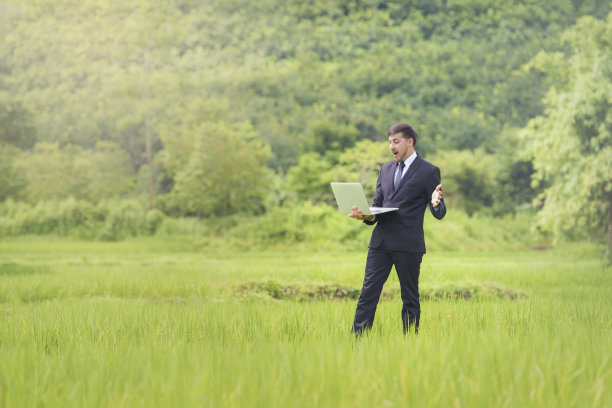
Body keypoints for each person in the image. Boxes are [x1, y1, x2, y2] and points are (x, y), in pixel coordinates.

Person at [349, 123, 446, 335]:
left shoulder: (429, 171)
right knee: (368, 293)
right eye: (390, 142)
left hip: (408, 245)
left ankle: (410, 342)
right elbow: (378, 205)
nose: (392, 146)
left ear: (409, 142)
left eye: (396, 141)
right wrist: (364, 215)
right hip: (380, 243)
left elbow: (438, 212)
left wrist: (436, 203)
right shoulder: (385, 169)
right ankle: (357, 341)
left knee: (409, 296)